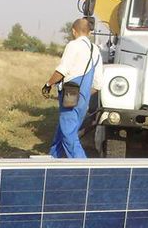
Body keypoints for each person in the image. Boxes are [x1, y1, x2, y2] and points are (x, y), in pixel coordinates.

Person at [42, 18, 104, 158]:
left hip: (70, 96)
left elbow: (62, 70)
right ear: (88, 32)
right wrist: (84, 95)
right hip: (84, 98)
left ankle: (83, 169)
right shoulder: (96, 50)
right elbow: (98, 83)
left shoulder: (73, 45)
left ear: (74, 31)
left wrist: (48, 84)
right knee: (63, 132)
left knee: (68, 134)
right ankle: (52, 161)